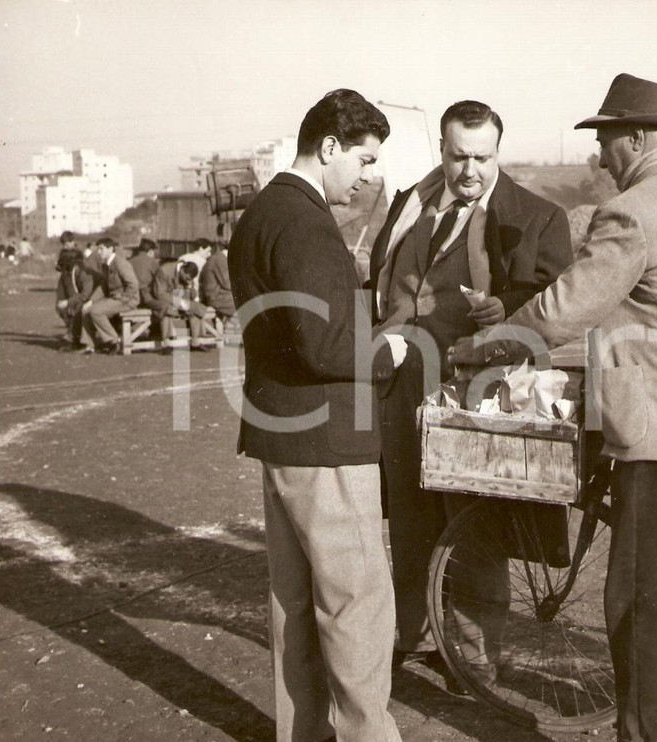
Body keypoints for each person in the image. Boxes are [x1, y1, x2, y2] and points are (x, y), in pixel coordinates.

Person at [448, 74, 657, 742]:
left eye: (605, 142)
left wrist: (487, 345)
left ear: (633, 137)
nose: (599, 158)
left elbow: (565, 308)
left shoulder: (633, 212)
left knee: (651, 609)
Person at [370, 99, 573, 671]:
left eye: (483, 157)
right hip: (402, 384)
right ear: (442, 149)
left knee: (474, 521)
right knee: (409, 516)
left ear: (498, 153)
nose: (470, 170)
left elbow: (559, 297)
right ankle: (413, 637)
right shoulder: (411, 203)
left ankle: (474, 656)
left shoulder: (536, 216)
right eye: (460, 156)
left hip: (479, 388)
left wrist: (504, 306)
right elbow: (384, 283)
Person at [228, 88, 405, 742]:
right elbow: (326, 343)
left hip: (280, 434)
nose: (367, 176)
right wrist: (392, 349)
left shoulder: (262, 213)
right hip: (328, 442)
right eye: (363, 160)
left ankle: (303, 734)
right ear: (328, 147)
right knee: (355, 605)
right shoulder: (305, 222)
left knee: (293, 607)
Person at [82, 237, 140, 354]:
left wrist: (124, 298)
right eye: (98, 249)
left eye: (101, 249)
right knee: (86, 309)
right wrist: (91, 301)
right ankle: (90, 345)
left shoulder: (120, 263)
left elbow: (133, 284)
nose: (99, 252)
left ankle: (114, 341)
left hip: (127, 300)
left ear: (110, 249)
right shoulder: (106, 264)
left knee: (96, 311)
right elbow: (104, 285)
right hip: (115, 298)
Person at [152, 260, 207, 353]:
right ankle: (166, 343)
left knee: (197, 307)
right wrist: (179, 301)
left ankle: (195, 342)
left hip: (180, 297)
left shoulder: (188, 276)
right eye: (187, 278)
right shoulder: (165, 270)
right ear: (182, 270)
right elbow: (159, 294)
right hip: (164, 298)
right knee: (167, 309)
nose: (188, 280)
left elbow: (193, 297)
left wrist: (189, 286)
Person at [55, 245, 86, 349]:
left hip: (85, 299)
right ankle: (73, 335)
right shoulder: (66, 275)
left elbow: (83, 293)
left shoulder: (79, 272)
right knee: (64, 308)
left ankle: (74, 338)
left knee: (76, 308)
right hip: (74, 299)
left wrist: (68, 303)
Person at [199, 242, 235, 320]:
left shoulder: (220, 258)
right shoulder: (220, 260)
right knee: (245, 303)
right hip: (215, 297)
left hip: (220, 295)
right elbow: (228, 284)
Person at [129, 238, 162, 317]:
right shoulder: (152, 262)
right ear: (151, 251)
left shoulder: (130, 261)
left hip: (132, 297)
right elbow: (159, 279)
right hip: (146, 298)